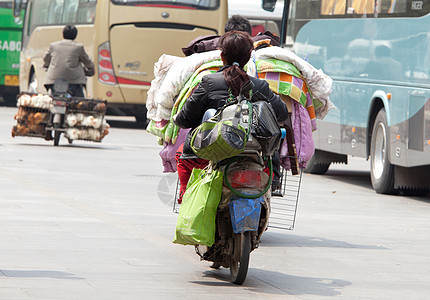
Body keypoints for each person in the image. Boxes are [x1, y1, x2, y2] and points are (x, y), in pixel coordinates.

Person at [173, 31, 289, 201]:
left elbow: (185, 120)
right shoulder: (259, 86)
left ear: (222, 55)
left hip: (206, 158)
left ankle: (187, 199)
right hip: (253, 157)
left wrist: (178, 118)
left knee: (181, 154)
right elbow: (282, 114)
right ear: (249, 56)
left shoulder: (209, 82)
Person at [43, 25, 94, 98]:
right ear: (75, 36)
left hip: (55, 80)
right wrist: (90, 67)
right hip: (74, 81)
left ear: (63, 35)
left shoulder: (53, 46)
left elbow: (46, 59)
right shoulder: (78, 47)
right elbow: (87, 62)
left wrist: (46, 65)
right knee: (79, 101)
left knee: (54, 98)